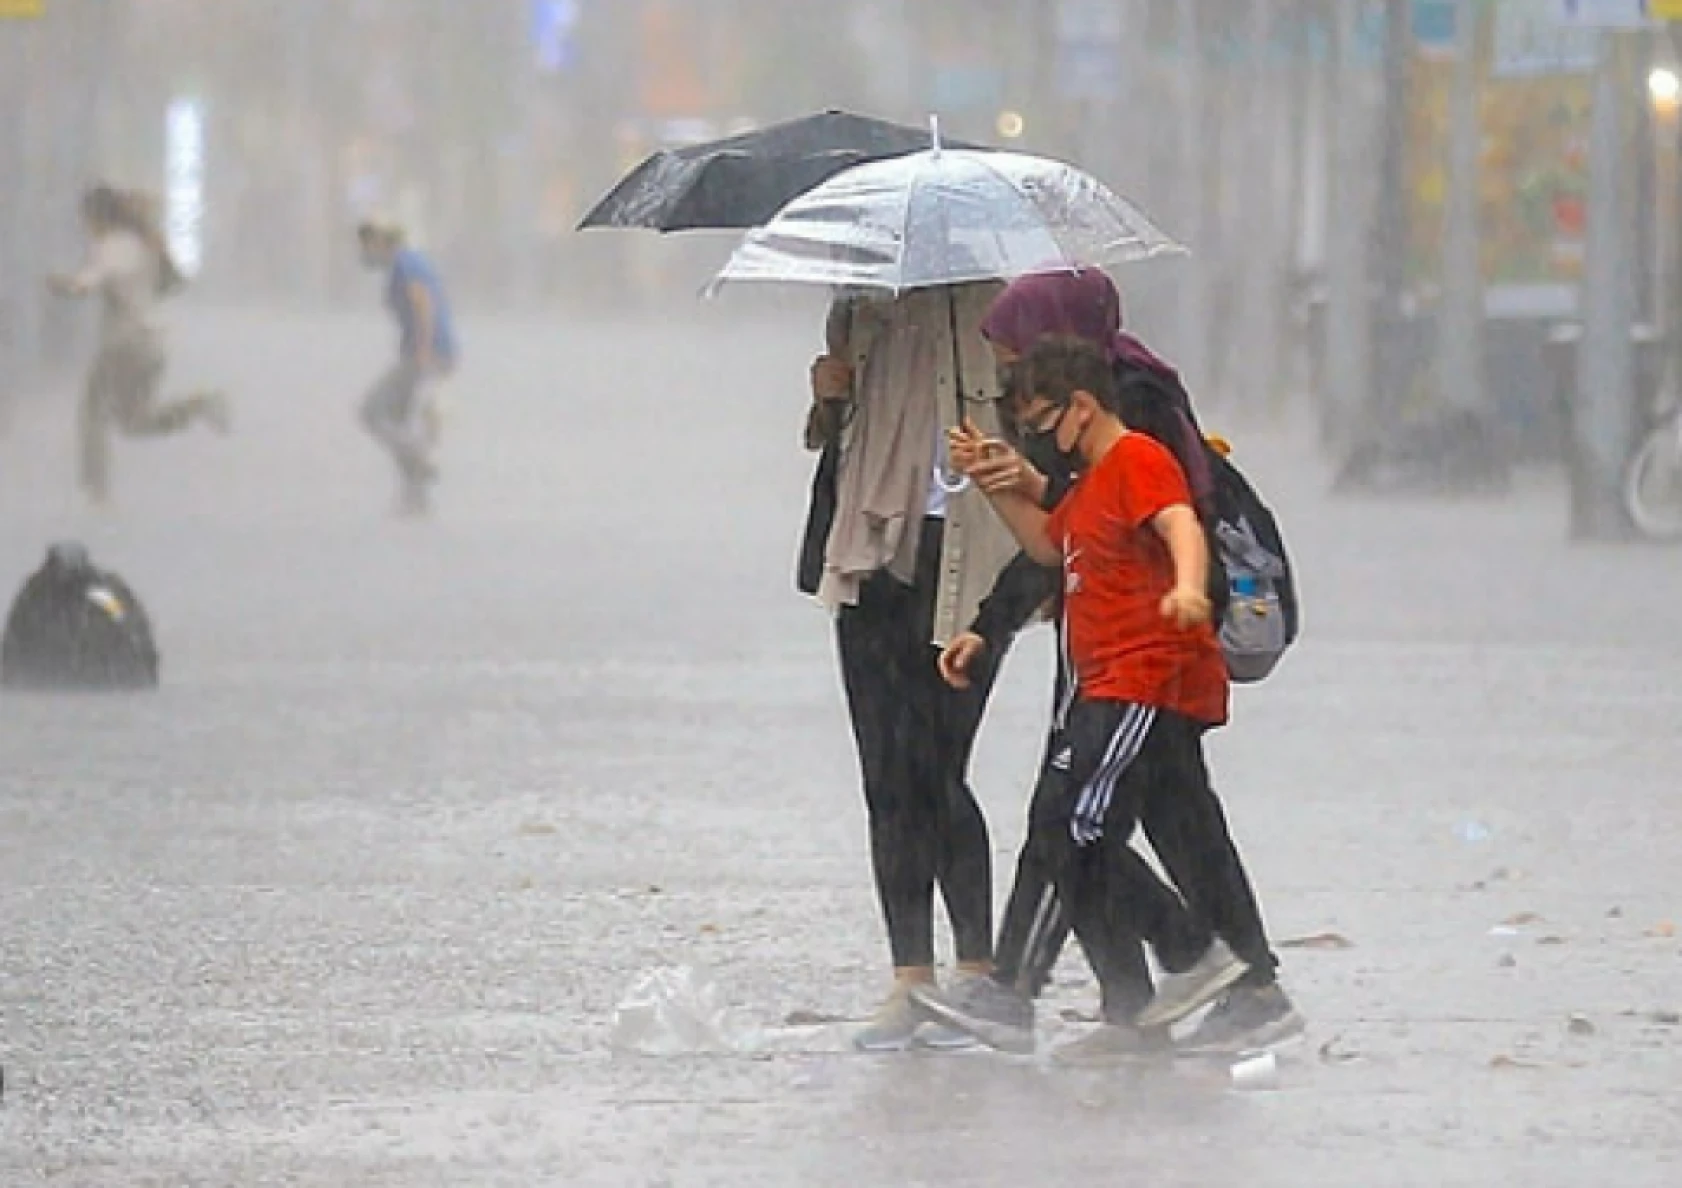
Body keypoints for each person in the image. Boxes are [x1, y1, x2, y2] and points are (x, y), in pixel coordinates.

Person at [939, 336, 1292, 1062]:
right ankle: (1143, 992)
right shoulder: (1091, 480)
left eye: (1040, 419)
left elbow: (1179, 525)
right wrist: (991, 483)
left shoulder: (1135, 458)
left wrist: (1190, 586)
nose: (1035, 436)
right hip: (1105, 680)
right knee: (1069, 832)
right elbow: (1047, 548)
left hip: (1139, 678)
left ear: (1082, 407)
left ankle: (1185, 953)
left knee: (1074, 829)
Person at [799, 282, 1021, 1051]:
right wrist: (827, 398)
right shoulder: (857, 305)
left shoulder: (997, 308)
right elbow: (836, 441)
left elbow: (1041, 433)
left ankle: (977, 970)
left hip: (969, 561)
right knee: (885, 777)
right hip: (869, 556)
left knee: (937, 768)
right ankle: (910, 979)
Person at [47, 184, 228, 507]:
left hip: (125, 346)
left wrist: (58, 283)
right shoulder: (142, 245)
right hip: (151, 345)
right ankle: (199, 405)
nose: (85, 228)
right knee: (133, 422)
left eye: (86, 219)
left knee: (92, 413)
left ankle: (96, 491)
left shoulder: (115, 246)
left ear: (97, 217)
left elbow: (87, 283)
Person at [356, 217, 457, 517]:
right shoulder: (407, 262)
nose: (363, 253)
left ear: (379, 241)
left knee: (372, 411)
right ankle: (414, 495)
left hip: (425, 354)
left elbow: (422, 302)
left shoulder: (404, 264)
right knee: (401, 419)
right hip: (424, 352)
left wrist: (424, 352)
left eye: (366, 244)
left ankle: (417, 460)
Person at [1, 541, 159, 692]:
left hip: (93, 675)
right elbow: (18, 630)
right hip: (61, 675)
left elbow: (124, 621)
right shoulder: (37, 593)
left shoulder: (98, 592)